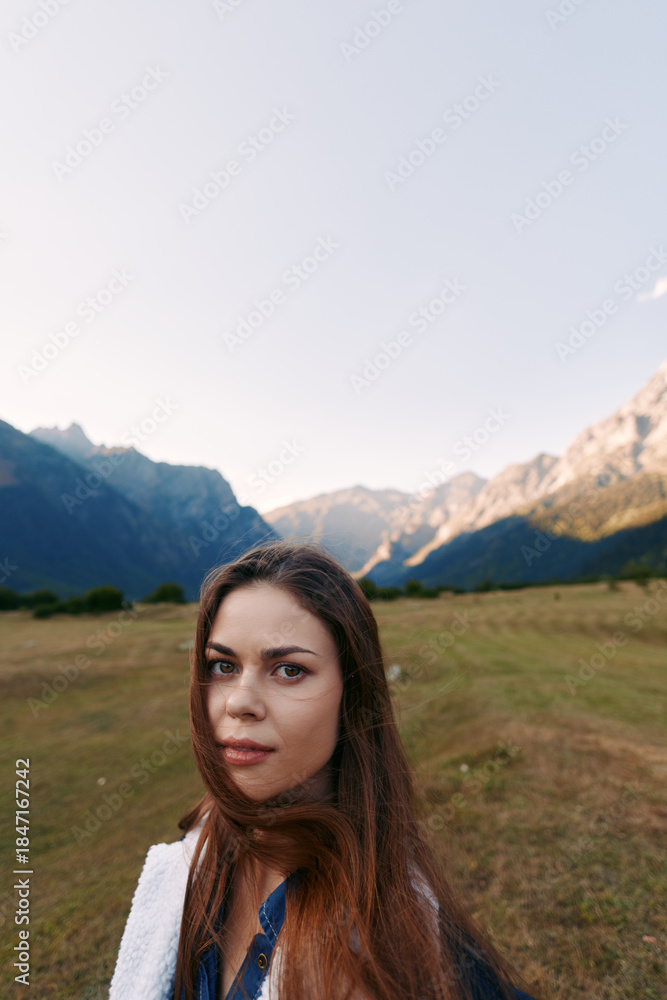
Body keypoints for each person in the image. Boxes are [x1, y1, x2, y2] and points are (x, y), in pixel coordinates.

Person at [109, 540, 538, 1000]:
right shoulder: (189, 859)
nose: (239, 702)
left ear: (351, 695)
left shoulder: (387, 950)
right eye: (223, 665)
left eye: (289, 670)